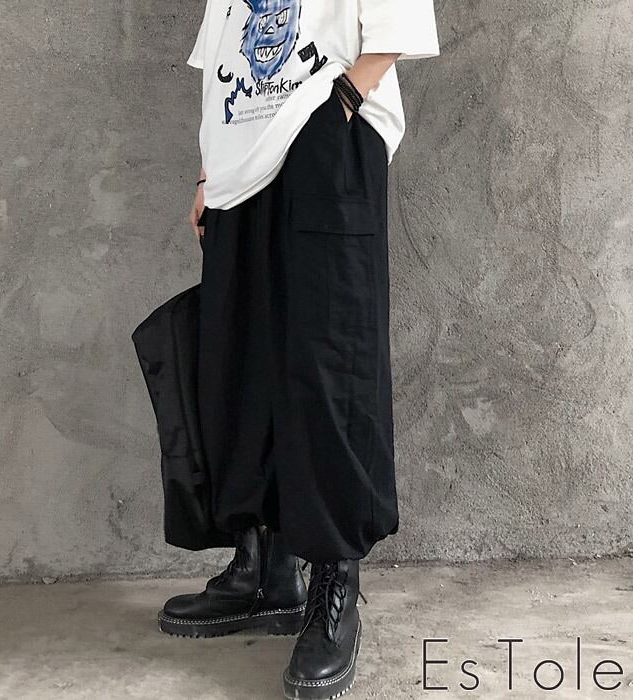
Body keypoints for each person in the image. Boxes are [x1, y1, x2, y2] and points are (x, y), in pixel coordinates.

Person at [158, 1, 439, 697]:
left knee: (331, 361)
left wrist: (341, 101)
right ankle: (266, 571)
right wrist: (207, 173)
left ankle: (333, 580)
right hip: (238, 169)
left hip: (326, 138)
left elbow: (400, 22)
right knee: (242, 358)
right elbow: (220, 64)